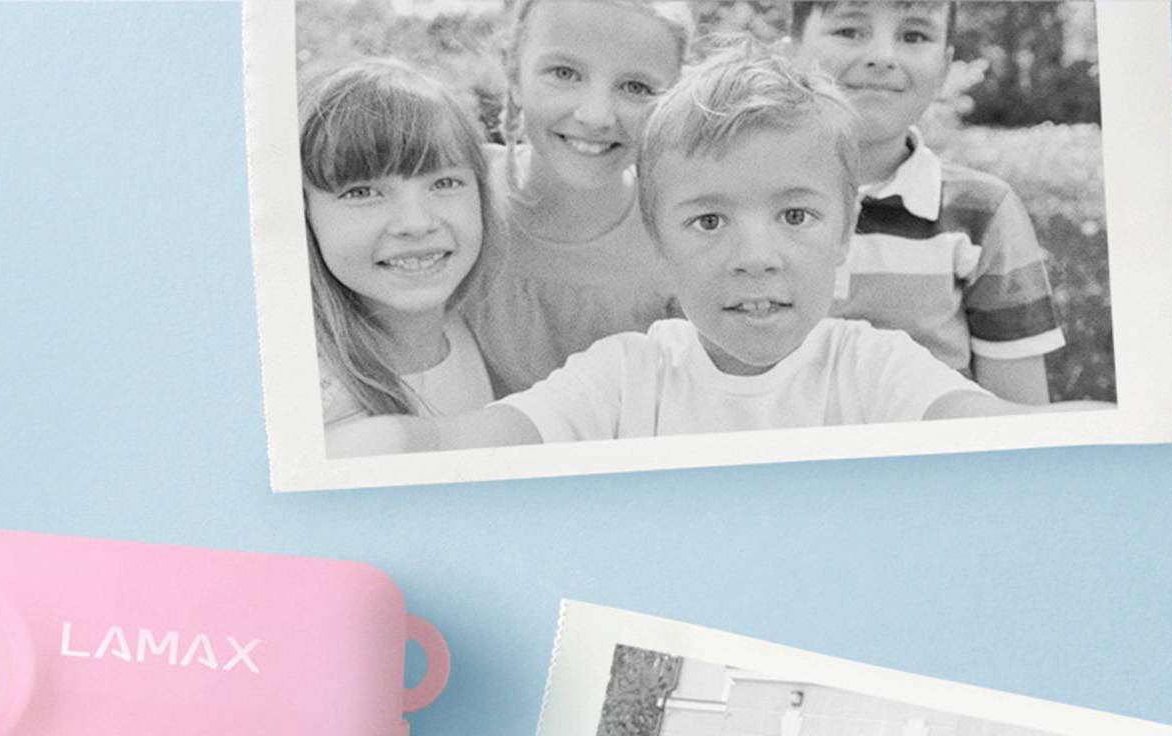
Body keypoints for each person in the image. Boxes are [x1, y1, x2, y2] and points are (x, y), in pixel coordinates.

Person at [333, 43, 1046, 454]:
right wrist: (327, 457)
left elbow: (1012, 442)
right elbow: (471, 444)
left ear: (843, 234)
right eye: (708, 222)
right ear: (658, 245)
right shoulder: (623, 377)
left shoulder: (876, 369)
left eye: (795, 215)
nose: (755, 255)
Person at [790, 0, 1065, 402]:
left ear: (944, 68)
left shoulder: (984, 212)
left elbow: (1018, 416)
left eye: (913, 35)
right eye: (850, 31)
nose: (882, 58)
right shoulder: (735, 203)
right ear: (792, 52)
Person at [470, 0, 692, 394]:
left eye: (635, 87)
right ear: (514, 75)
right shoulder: (457, 199)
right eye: (565, 73)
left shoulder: (683, 235)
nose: (596, 116)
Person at [303, 61, 497, 454]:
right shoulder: (315, 408)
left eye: (444, 183)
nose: (415, 223)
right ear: (304, 214)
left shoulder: (468, 325)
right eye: (362, 192)